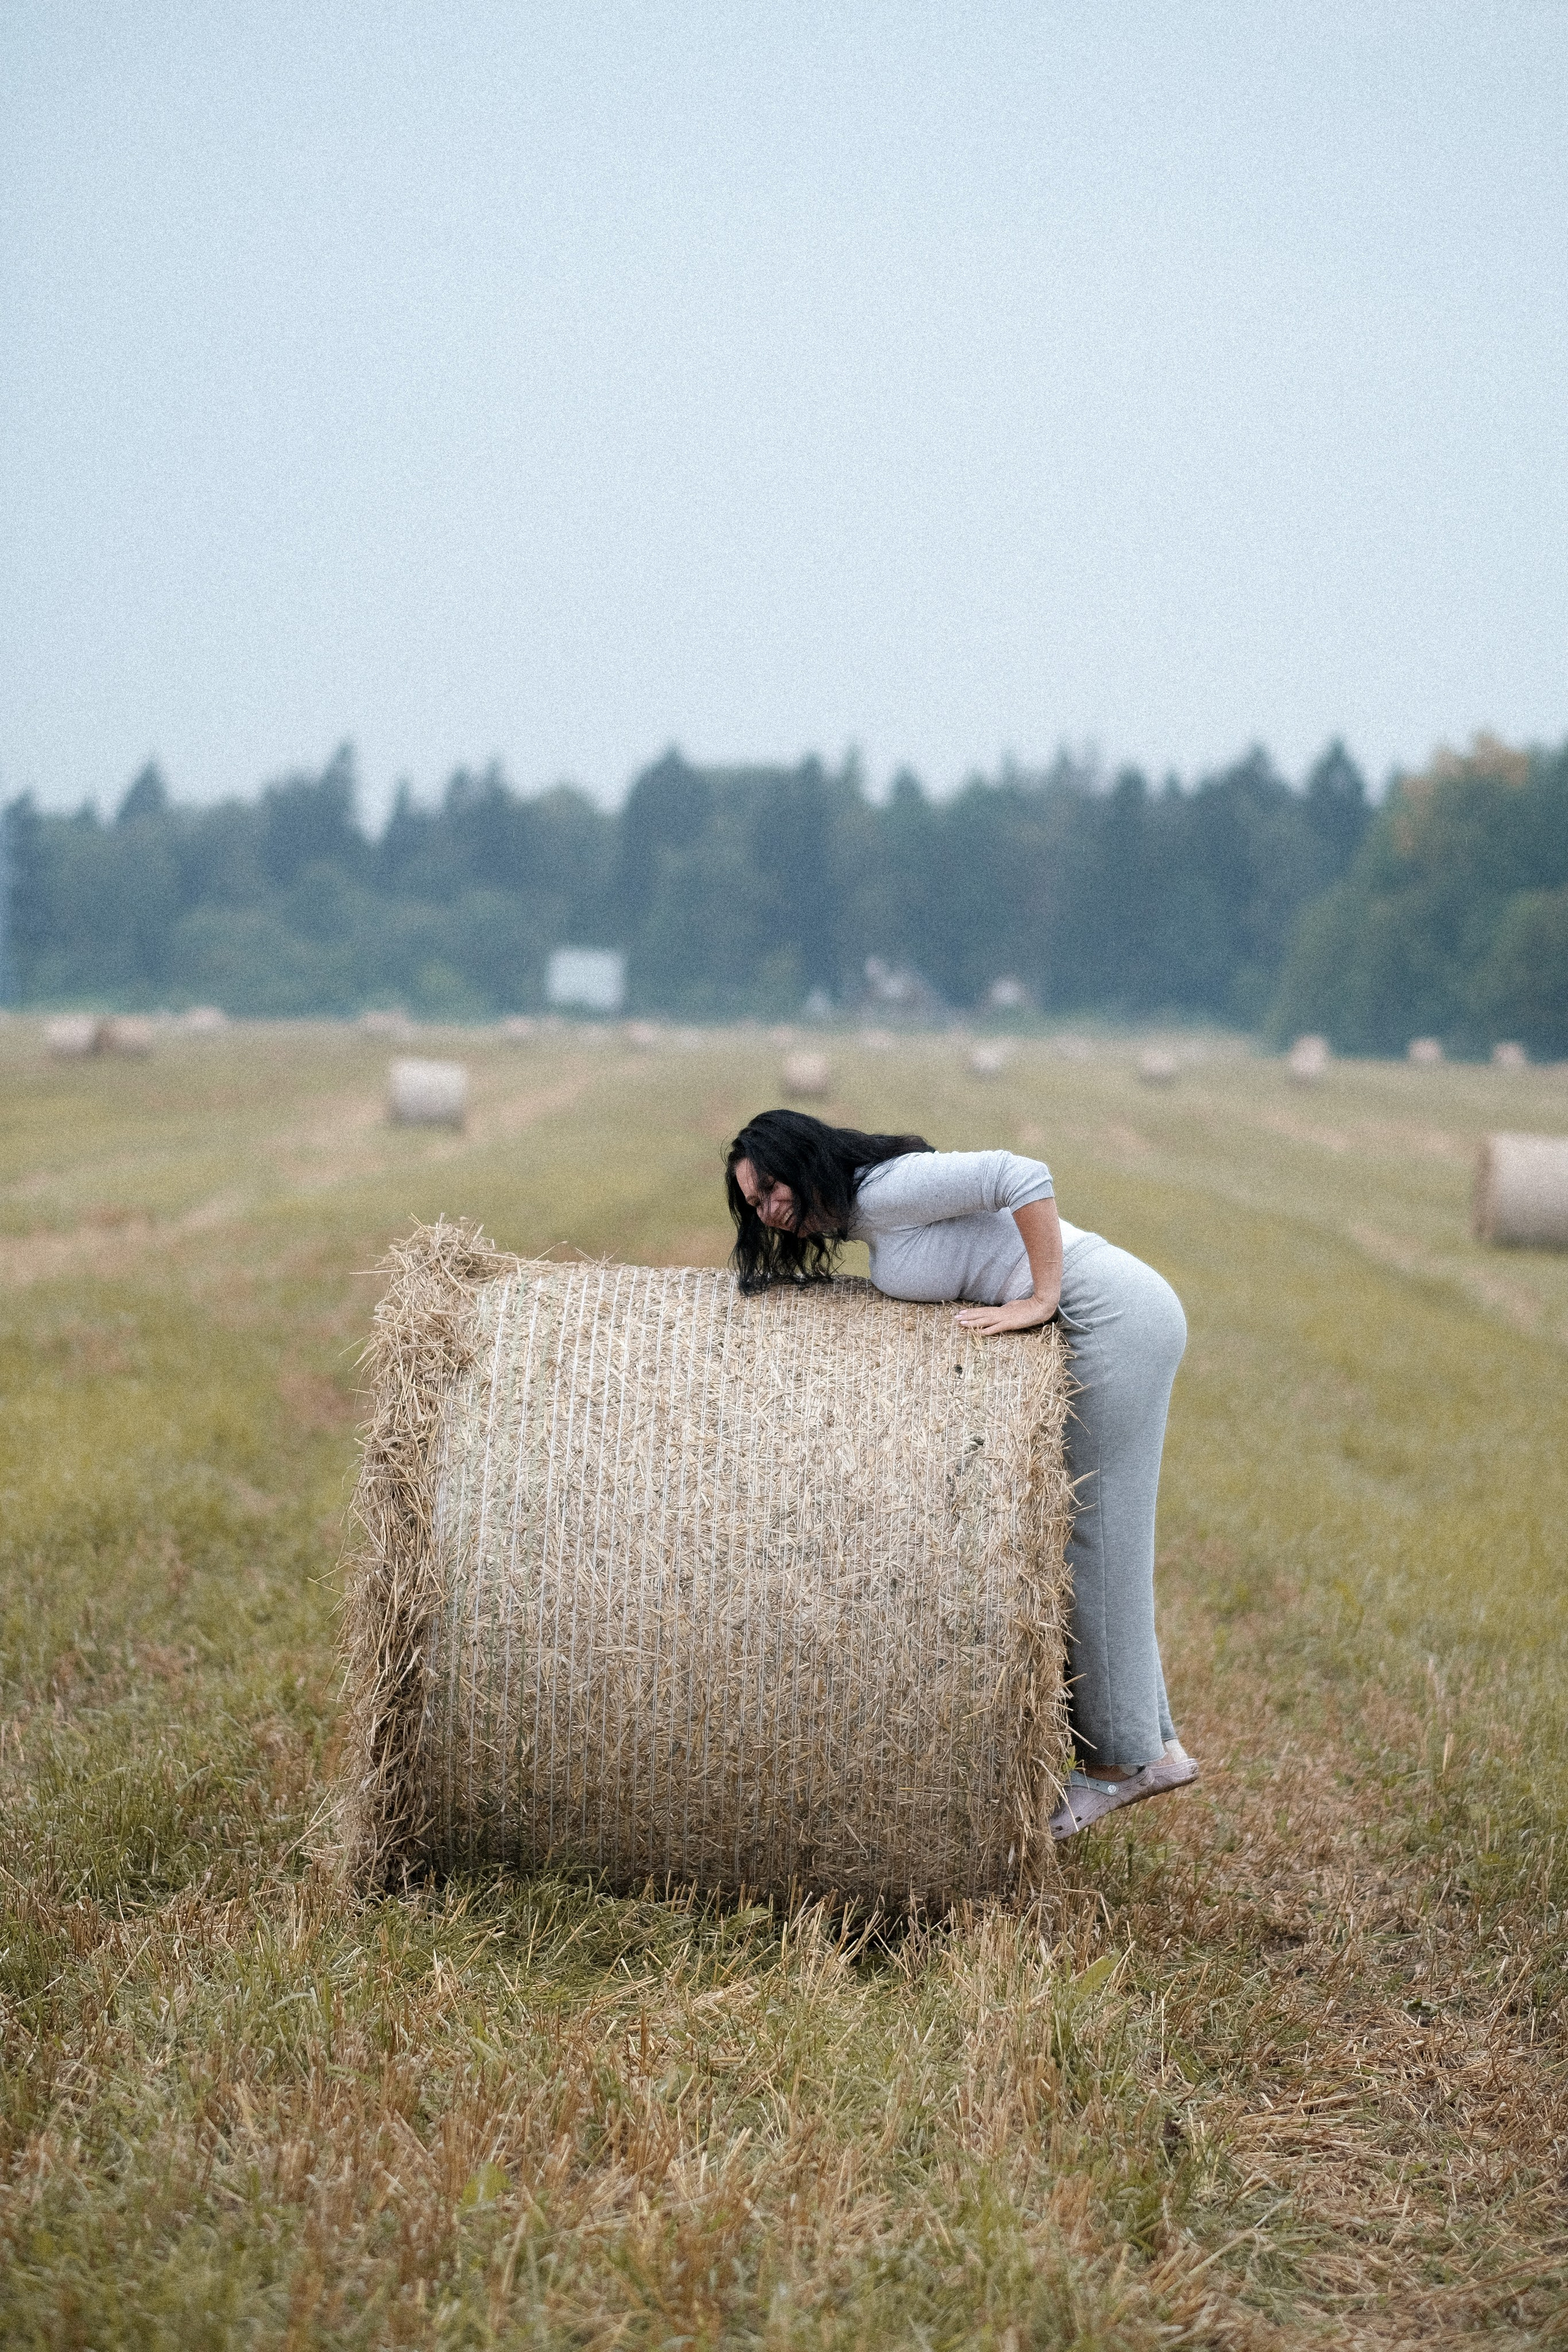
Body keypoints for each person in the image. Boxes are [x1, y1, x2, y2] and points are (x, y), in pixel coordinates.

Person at [724, 1107, 1197, 1840]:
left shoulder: (884, 1189)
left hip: (1113, 1316)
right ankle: (1154, 1746)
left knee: (1091, 1537)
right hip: (1107, 1315)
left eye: (771, 1190)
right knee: (1104, 1536)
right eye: (754, 1206)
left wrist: (1041, 1296)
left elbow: (1022, 1175)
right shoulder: (867, 1217)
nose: (769, 1212)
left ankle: (1117, 1765)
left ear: (803, 1160)